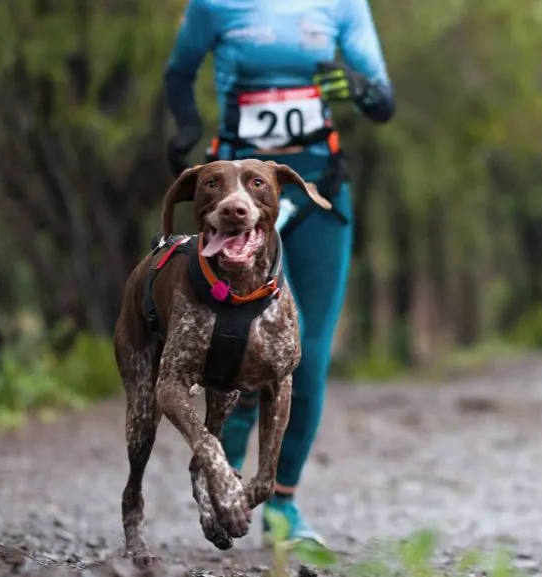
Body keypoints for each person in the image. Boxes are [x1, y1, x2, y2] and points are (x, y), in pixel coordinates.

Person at [162, 0, 395, 549]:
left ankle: (282, 503)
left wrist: (357, 86)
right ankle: (222, 472)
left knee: (306, 353)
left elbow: (383, 103)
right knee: (229, 345)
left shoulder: (343, 6)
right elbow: (178, 72)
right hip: (236, 199)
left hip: (317, 191)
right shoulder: (213, 6)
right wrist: (188, 127)